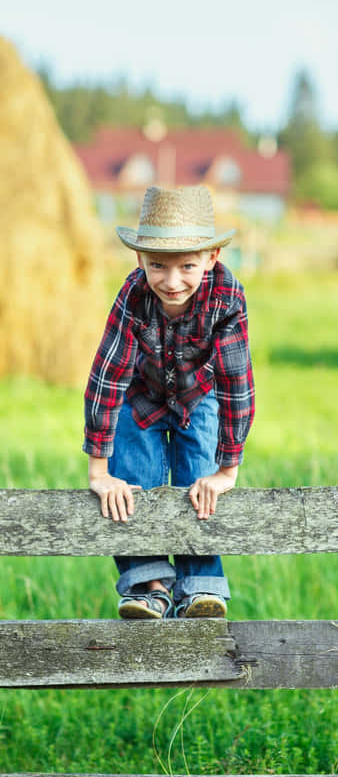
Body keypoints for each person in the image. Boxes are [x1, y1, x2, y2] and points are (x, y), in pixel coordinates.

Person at [83, 185, 254, 620]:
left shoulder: (227, 297)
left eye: (188, 266)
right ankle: (147, 585)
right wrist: (100, 472)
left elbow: (237, 383)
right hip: (140, 394)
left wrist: (227, 470)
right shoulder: (134, 294)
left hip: (200, 394)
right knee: (132, 478)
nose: (171, 280)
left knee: (199, 480)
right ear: (140, 260)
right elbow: (108, 375)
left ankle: (200, 586)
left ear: (212, 258)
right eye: (157, 265)